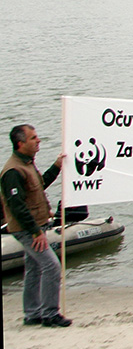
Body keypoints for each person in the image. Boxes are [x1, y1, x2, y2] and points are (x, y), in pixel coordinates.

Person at [2, 125, 72, 327]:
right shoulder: (13, 171)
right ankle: (50, 313)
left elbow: (39, 186)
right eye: (34, 138)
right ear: (20, 143)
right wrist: (34, 232)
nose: (38, 141)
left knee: (34, 269)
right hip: (27, 229)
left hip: (38, 225)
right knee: (52, 266)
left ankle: (32, 313)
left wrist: (57, 166)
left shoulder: (27, 164)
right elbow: (17, 206)